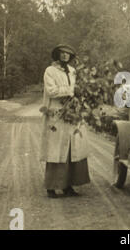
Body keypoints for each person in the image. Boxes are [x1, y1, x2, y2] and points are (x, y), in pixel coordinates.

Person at [40, 44, 90, 198]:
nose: (65, 56)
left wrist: (80, 95)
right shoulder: (50, 71)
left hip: (72, 113)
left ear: (70, 57)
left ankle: (68, 186)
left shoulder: (73, 71)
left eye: (68, 54)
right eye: (62, 54)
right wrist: (69, 91)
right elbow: (51, 90)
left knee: (72, 148)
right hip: (56, 112)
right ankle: (52, 187)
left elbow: (77, 89)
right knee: (56, 149)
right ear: (57, 55)